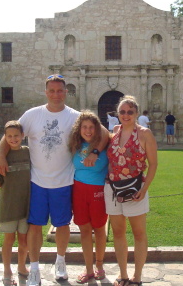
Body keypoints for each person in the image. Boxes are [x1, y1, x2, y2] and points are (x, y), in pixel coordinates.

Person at [0, 74, 108, 286]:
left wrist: (95, 152)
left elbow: (103, 133)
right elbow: (9, 134)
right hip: (37, 181)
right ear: (46, 92)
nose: (56, 94)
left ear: (66, 92)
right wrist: (1, 155)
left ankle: (61, 261)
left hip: (64, 181)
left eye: (60, 90)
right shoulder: (32, 115)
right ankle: (35, 268)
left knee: (62, 224)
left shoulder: (75, 116)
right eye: (52, 90)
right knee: (35, 226)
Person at [105, 95, 158, 286]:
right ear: (118, 114)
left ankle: (137, 276)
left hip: (135, 189)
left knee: (139, 233)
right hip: (112, 189)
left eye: (130, 112)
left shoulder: (145, 134)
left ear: (136, 113)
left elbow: (153, 164)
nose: (126, 115)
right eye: (122, 111)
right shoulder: (116, 130)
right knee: (118, 232)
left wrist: (145, 189)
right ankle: (123, 274)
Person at [0, 120, 30, 286]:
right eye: (9, 136)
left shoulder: (28, 153)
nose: (13, 139)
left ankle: (21, 267)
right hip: (8, 205)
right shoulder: (1, 157)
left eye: (16, 135)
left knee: (24, 241)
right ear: (5, 137)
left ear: (22, 136)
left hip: (26, 205)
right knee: (9, 240)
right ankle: (6, 271)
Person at [69, 111, 109, 284]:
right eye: (84, 127)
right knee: (84, 230)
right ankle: (88, 268)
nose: (88, 130)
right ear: (79, 128)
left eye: (92, 127)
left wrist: (95, 151)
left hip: (98, 190)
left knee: (99, 228)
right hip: (78, 190)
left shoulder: (103, 143)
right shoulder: (75, 144)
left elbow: (106, 133)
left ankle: (99, 265)